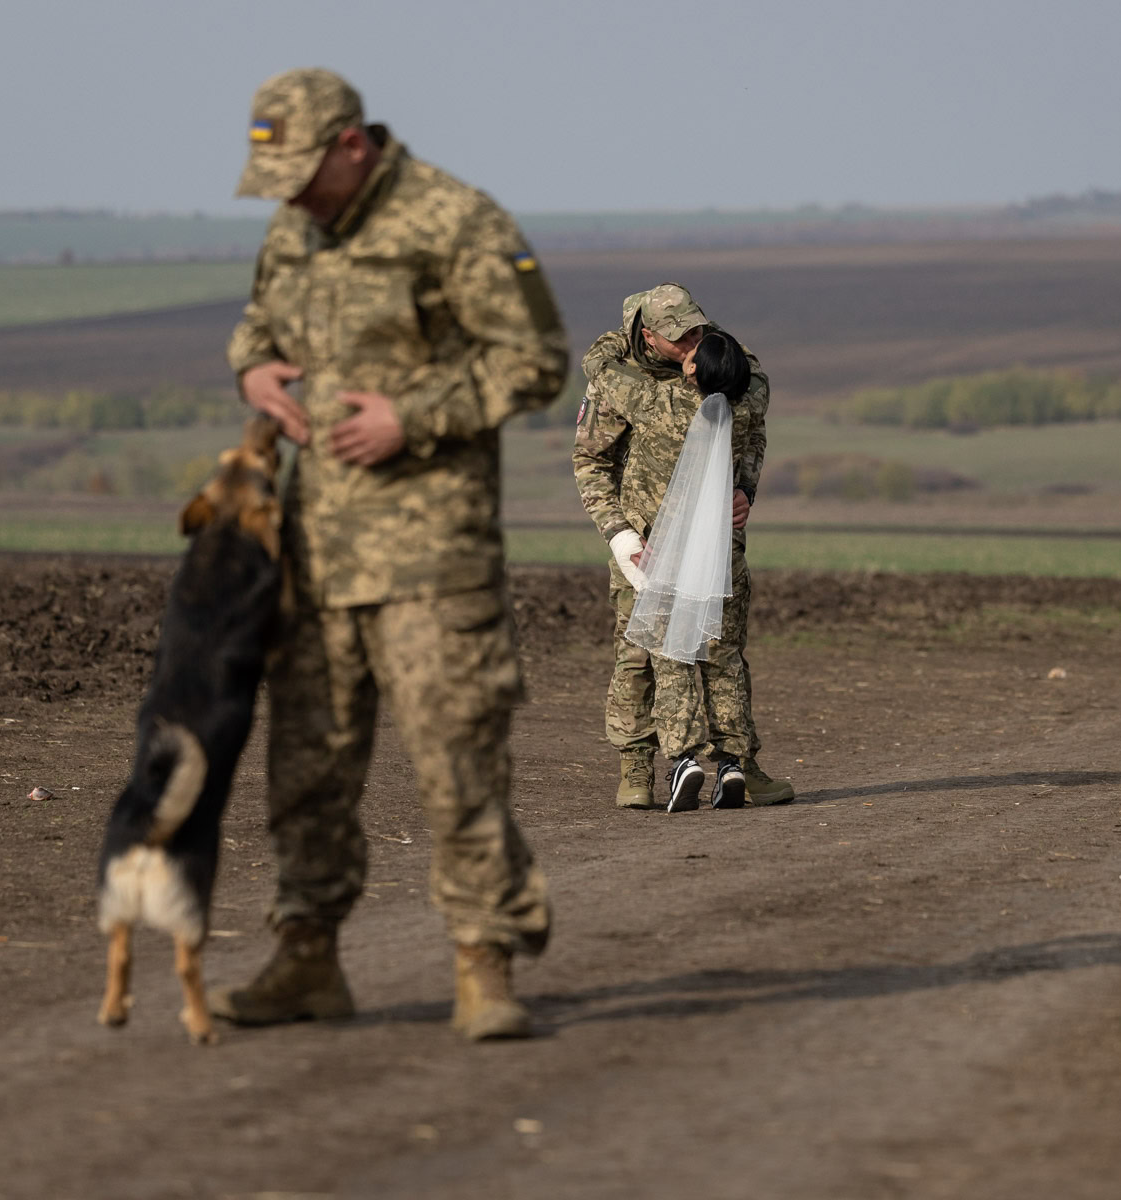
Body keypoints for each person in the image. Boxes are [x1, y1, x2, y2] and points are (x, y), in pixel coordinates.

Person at [210, 67, 566, 1040]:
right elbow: (260, 321)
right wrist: (253, 368)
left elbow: (535, 360)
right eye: (272, 175)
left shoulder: (457, 220)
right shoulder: (296, 226)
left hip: (430, 557)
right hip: (317, 553)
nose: (285, 193)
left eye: (299, 170)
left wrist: (414, 416)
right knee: (306, 771)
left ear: (352, 145)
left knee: (458, 763)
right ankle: (307, 960)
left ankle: (483, 967)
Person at [573, 284, 796, 812]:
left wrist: (745, 489)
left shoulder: (670, 384)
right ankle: (637, 766)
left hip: (701, 541)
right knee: (638, 657)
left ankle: (726, 762)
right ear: (648, 336)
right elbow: (590, 463)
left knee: (711, 649)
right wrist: (621, 536)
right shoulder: (741, 376)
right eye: (680, 338)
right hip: (642, 542)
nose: (693, 343)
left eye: (698, 331)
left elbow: (752, 439)